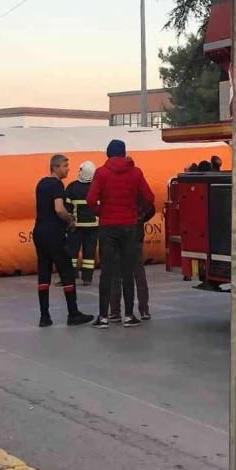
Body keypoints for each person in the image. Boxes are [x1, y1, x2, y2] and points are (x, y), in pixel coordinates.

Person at [87, 139, 155, 329]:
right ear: (125, 153)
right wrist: (137, 213)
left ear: (108, 154)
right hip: (129, 227)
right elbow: (149, 197)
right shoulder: (136, 172)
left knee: (107, 272)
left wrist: (102, 213)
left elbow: (91, 199)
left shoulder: (101, 173)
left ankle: (103, 317)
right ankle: (129, 315)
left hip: (108, 227)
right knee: (128, 272)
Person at [33, 154, 93, 328]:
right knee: (67, 272)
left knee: (43, 273)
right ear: (56, 167)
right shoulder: (57, 184)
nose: (68, 169)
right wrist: (70, 221)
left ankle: (44, 316)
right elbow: (59, 209)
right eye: (65, 166)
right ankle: (73, 313)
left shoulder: (41, 184)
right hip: (54, 234)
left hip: (39, 232)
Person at [109, 194, 156, 322]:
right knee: (138, 272)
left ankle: (115, 312)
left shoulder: (110, 180)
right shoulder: (137, 181)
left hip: (116, 232)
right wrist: (140, 218)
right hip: (135, 232)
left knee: (116, 274)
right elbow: (151, 204)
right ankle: (144, 310)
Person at [65, 160, 98, 285]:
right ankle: (87, 279)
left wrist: (68, 222)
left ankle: (71, 275)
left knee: (72, 252)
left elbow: (66, 206)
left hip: (76, 226)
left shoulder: (72, 187)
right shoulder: (97, 187)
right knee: (89, 253)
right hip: (93, 226)